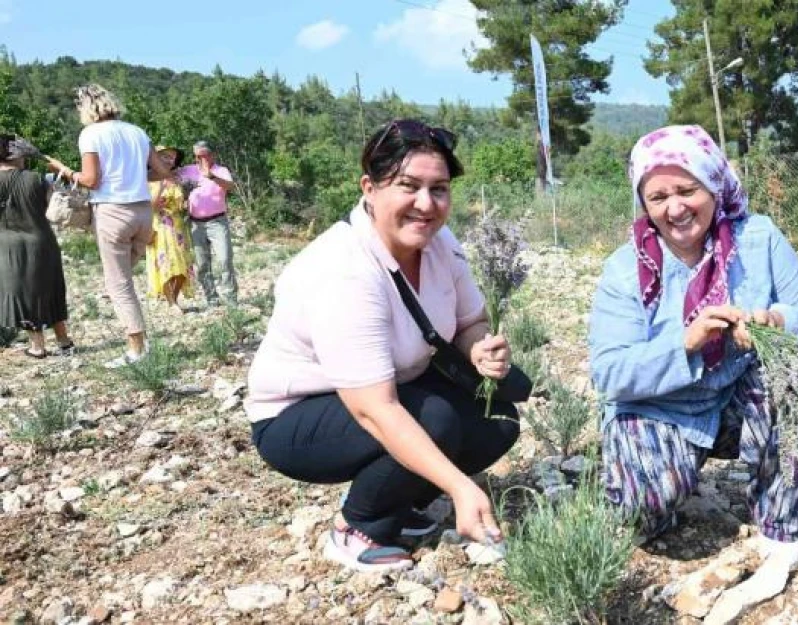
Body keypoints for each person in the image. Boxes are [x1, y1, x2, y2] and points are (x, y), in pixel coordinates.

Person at [245, 119, 522, 572]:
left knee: (496, 420)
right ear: (369, 189)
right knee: (433, 418)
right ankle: (358, 526)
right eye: (408, 186)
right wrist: (459, 486)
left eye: (439, 189)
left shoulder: (439, 242)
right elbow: (374, 409)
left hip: (393, 387)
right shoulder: (344, 270)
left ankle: (403, 504)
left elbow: (471, 320)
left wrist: (478, 349)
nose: (426, 204)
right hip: (298, 415)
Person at [588, 125, 798, 600]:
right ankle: (670, 474)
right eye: (657, 197)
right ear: (643, 203)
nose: (674, 208)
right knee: (644, 512)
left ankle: (782, 525)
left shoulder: (758, 239)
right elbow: (609, 372)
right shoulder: (624, 269)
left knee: (795, 371)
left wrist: (776, 321)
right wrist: (686, 342)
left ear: (714, 185)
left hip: (738, 394)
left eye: (686, 189)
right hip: (661, 404)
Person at [45, 83, 171, 368]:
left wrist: (61, 169)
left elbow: (91, 181)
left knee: (119, 284)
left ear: (86, 108)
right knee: (125, 279)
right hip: (143, 213)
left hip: (113, 212)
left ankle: (137, 350)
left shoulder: (90, 134)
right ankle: (140, 341)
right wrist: (134, 175)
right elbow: (163, 171)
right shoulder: (137, 131)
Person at [0, 135, 73, 358]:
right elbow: (53, 206)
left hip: (7, 245)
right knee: (50, 290)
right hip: (42, 241)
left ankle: (37, 346)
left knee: (23, 294)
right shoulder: (37, 179)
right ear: (20, 155)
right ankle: (64, 341)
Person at [176, 140, 237, 308]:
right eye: (197, 156)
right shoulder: (187, 170)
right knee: (202, 264)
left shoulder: (221, 170)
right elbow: (168, 175)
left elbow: (231, 187)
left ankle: (231, 298)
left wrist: (212, 176)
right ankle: (212, 299)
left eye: (203, 155)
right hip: (195, 223)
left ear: (212, 155)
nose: (200, 159)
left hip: (218, 222)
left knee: (224, 259)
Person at [146, 146, 195, 311]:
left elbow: (181, 204)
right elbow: (149, 207)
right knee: (165, 264)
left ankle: (174, 298)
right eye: (165, 156)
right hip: (159, 226)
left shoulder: (177, 178)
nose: (169, 160)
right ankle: (171, 302)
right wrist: (161, 186)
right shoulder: (147, 179)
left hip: (178, 227)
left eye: (172, 157)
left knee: (181, 265)